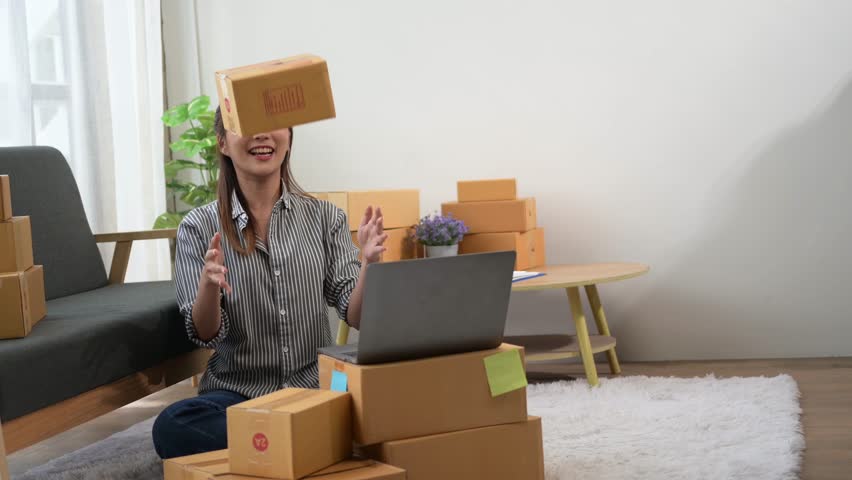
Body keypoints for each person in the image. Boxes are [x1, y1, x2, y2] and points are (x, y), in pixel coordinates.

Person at [152, 107, 387, 459]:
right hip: (238, 394)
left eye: (273, 125)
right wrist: (209, 286)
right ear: (223, 144)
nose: (262, 135)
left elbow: (356, 316)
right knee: (173, 425)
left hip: (315, 390)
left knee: (397, 400)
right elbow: (203, 333)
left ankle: (271, 446)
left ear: (289, 138)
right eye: (247, 125)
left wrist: (369, 264)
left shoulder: (325, 218)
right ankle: (308, 442)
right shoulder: (198, 227)